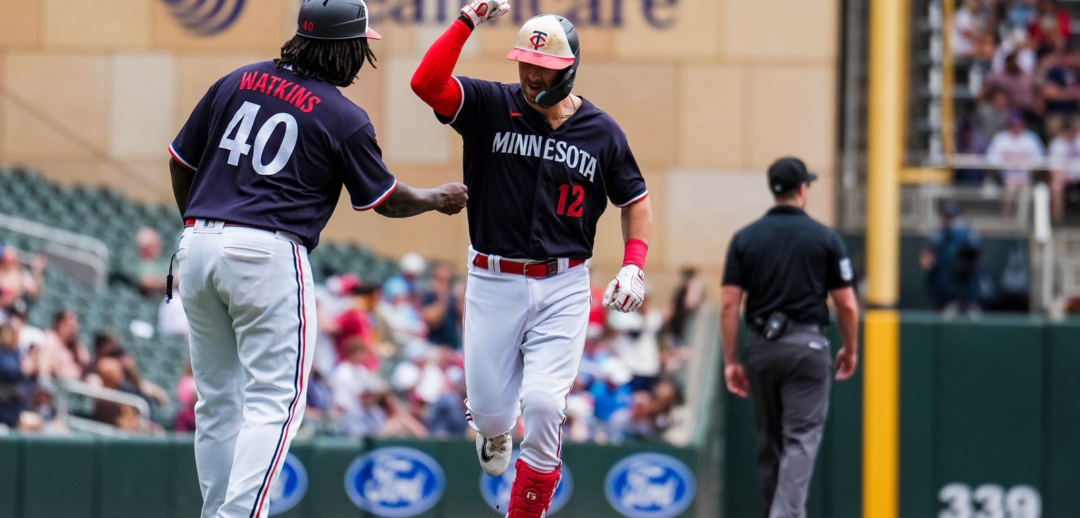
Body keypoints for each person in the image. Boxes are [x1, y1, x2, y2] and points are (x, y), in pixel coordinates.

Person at [167, 2, 468, 516]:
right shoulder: (342, 114)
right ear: (343, 48)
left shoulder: (236, 79)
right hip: (267, 252)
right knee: (274, 403)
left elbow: (180, 162)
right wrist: (436, 199)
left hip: (198, 243)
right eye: (360, 47)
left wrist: (195, 227)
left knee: (218, 403)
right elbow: (385, 199)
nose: (361, 58)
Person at [411, 2, 653, 514]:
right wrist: (466, 21)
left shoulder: (601, 132)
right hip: (494, 279)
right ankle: (493, 431)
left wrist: (634, 263)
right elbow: (426, 83)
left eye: (543, 67)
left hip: (564, 282)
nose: (530, 73)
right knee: (496, 416)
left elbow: (635, 200)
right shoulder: (489, 104)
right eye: (524, 62)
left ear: (569, 70)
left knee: (544, 406)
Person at [721, 157, 860, 518]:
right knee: (800, 439)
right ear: (802, 190)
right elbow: (846, 305)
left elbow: (728, 305)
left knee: (773, 443)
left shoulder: (745, 238)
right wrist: (850, 348)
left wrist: (732, 360)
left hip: (763, 348)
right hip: (808, 346)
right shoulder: (825, 237)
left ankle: (777, 513)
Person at [921, 202, 986, 313]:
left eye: (952, 217)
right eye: (947, 216)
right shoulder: (938, 236)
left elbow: (977, 261)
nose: (949, 220)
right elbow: (925, 262)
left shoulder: (967, 236)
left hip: (966, 292)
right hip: (944, 293)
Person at [986, 110, 1045, 214]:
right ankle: (1006, 217)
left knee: (1025, 190)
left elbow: (1040, 159)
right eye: (1014, 124)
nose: (1016, 127)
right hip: (1006, 176)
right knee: (1011, 187)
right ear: (1009, 124)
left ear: (1023, 124)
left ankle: (1022, 221)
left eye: (1019, 124)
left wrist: (1025, 163)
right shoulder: (1001, 138)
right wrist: (1008, 161)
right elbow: (991, 158)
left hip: (1026, 176)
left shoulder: (1031, 138)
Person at [421, 262, 463, 350]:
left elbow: (463, 318)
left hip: (452, 348)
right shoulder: (429, 295)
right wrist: (442, 299)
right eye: (441, 280)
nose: (444, 284)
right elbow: (432, 321)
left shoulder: (453, 297)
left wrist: (461, 297)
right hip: (433, 346)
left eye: (447, 280)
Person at [40, 310, 89, 382]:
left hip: (74, 384)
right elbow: (45, 363)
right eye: (70, 325)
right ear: (60, 324)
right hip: (56, 382)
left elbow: (86, 364)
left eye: (75, 326)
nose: (73, 329)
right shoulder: (50, 337)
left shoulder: (77, 345)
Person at [1048, 117, 1080, 222]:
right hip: (1064, 177)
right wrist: (1065, 177)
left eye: (1074, 129)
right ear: (1064, 130)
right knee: (1056, 185)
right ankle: (1058, 219)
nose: (1072, 132)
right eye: (1070, 130)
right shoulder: (1056, 144)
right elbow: (1054, 169)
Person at [0, 247, 45, 316]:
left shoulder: (20, 275)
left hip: (5, 313)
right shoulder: (3, 272)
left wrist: (37, 271)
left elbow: (35, 291)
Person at [129, 228, 172, 299]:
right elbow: (146, 283)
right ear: (145, 247)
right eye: (155, 245)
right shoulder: (139, 265)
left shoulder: (164, 263)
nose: (159, 247)